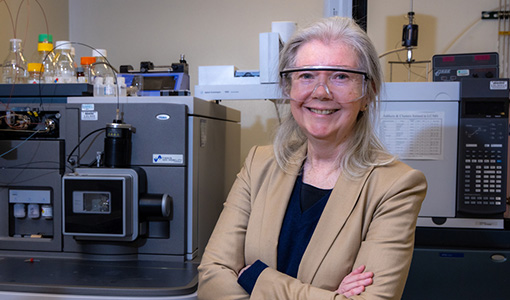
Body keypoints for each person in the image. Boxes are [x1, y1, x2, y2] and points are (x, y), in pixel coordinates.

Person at [197, 16, 427, 299]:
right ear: (288, 88)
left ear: (368, 93)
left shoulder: (395, 186)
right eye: (306, 75)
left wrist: (256, 278)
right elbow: (211, 278)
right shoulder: (259, 164)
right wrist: (330, 295)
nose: (321, 92)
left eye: (340, 76)